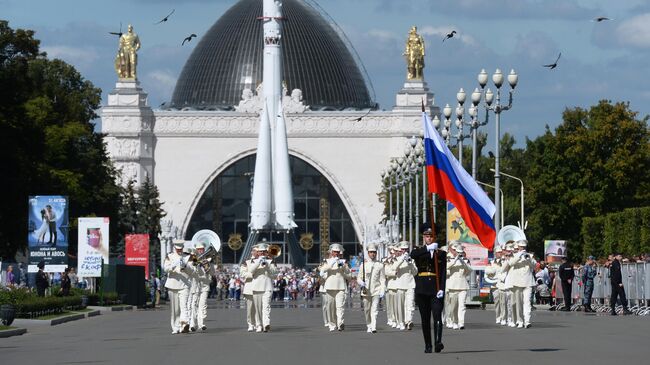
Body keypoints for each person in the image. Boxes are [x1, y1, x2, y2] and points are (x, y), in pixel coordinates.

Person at [411, 223, 447, 353]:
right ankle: (428, 344)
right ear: (423, 237)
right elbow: (413, 255)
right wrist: (428, 249)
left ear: (435, 237)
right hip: (422, 289)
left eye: (431, 236)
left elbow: (443, 273)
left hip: (435, 289)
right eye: (427, 236)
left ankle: (438, 342)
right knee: (425, 319)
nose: (429, 238)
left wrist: (442, 288)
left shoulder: (441, 254)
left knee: (437, 315)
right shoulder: (419, 251)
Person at [504, 240, 536, 328]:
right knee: (518, 303)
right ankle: (520, 320)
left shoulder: (530, 255)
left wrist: (529, 259)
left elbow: (534, 265)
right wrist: (519, 255)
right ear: (518, 247)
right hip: (517, 282)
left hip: (528, 282)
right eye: (521, 247)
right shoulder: (514, 255)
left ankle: (527, 321)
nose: (523, 249)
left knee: (527, 302)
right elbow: (511, 263)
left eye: (524, 247)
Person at [163, 240, 192, 334]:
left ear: (183, 248)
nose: (179, 250)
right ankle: (175, 327)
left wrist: (186, 266)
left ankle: (184, 324)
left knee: (184, 306)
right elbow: (165, 268)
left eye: (181, 249)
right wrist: (173, 267)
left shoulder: (188, 257)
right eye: (177, 249)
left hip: (184, 285)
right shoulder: (170, 256)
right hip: (173, 284)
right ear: (175, 248)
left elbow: (193, 270)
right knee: (175, 309)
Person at [320, 244, 350, 331]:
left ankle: (340, 323)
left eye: (337, 252)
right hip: (330, 286)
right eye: (334, 252)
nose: (336, 253)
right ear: (331, 252)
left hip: (340, 286)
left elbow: (348, 272)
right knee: (330, 307)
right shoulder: (327, 261)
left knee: (340, 306)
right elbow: (322, 271)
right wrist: (332, 263)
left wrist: (343, 265)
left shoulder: (342, 261)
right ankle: (332, 324)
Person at [357, 243, 385, 333]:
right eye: (371, 252)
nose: (372, 254)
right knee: (367, 309)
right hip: (366, 290)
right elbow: (359, 277)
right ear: (368, 253)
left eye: (374, 252)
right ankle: (368, 324)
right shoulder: (363, 265)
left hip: (376, 290)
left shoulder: (380, 265)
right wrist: (361, 282)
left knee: (375, 309)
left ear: (376, 253)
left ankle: (373, 326)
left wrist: (382, 289)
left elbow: (382, 279)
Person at [249, 243, 277, 332]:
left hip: (267, 286)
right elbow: (251, 271)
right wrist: (258, 261)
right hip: (256, 286)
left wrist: (267, 265)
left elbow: (274, 273)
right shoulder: (253, 261)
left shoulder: (271, 261)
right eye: (260, 252)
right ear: (257, 253)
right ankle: (259, 325)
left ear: (266, 252)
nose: (262, 253)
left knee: (266, 306)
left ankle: (266, 324)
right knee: (258, 308)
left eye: (264, 252)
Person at [188, 242, 215, 331]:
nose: (201, 251)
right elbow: (191, 272)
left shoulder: (208, 260)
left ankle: (201, 324)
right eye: (199, 249)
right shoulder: (193, 259)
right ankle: (192, 324)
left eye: (202, 250)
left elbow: (212, 273)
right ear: (196, 250)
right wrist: (196, 265)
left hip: (205, 285)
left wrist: (208, 266)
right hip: (195, 285)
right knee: (194, 304)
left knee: (202, 305)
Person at [445, 241, 471, 330]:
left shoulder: (465, 260)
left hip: (462, 285)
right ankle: (454, 321)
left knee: (462, 305)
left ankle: (461, 322)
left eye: (460, 252)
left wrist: (463, 262)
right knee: (453, 306)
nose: (459, 253)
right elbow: (445, 268)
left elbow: (469, 271)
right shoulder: (448, 258)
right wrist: (455, 260)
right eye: (457, 251)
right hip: (452, 285)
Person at [394, 241, 417, 330]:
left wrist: (410, 263)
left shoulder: (412, 260)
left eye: (406, 249)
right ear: (400, 250)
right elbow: (393, 268)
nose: (404, 251)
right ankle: (401, 322)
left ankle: (409, 321)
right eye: (403, 249)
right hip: (400, 285)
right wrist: (402, 259)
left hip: (410, 285)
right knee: (401, 306)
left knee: (410, 304)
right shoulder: (397, 259)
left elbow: (415, 273)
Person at [485, 246, 507, 325]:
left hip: (503, 284)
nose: (500, 253)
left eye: (501, 252)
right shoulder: (491, 262)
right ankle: (498, 317)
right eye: (498, 252)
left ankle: (504, 318)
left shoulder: (505, 261)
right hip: (494, 285)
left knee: (503, 302)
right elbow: (487, 274)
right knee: (497, 302)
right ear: (495, 253)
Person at [383, 244, 398, 328]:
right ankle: (391, 318)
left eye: (394, 252)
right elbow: (386, 272)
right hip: (389, 284)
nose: (393, 254)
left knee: (396, 304)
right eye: (391, 252)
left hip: (398, 284)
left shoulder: (398, 260)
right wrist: (394, 273)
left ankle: (396, 319)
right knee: (390, 304)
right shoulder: (386, 260)